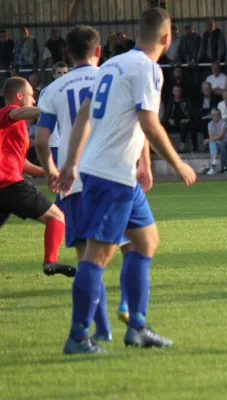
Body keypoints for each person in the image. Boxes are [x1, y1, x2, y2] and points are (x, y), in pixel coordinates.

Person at [57, 8, 196, 354]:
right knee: (98, 254)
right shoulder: (148, 69)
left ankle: (137, 327)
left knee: (146, 241)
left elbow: (83, 118)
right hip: (112, 174)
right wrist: (178, 163)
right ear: (167, 38)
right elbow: (149, 122)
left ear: (138, 32)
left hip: (113, 172)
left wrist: (73, 163)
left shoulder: (113, 65)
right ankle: (78, 336)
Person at [35, 26, 135, 343]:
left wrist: (50, 168)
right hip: (110, 172)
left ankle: (101, 329)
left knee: (85, 258)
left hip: (72, 179)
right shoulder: (112, 77)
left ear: (67, 53)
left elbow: (40, 139)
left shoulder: (52, 90)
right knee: (133, 245)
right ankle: (130, 310)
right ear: (98, 52)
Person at [0, 76, 75, 278]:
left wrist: (50, 171)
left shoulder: (12, 127)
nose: (33, 101)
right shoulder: (8, 112)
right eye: (31, 96)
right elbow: (21, 111)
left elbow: (20, 163)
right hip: (9, 184)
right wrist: (52, 111)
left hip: (5, 185)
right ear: (18, 96)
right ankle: (50, 262)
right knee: (56, 217)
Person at [205, 108, 227, 175]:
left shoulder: (223, 122)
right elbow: (211, 136)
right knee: (212, 143)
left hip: (226, 141)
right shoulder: (210, 124)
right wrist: (212, 140)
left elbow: (221, 135)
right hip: (217, 142)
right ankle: (213, 167)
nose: (216, 116)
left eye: (217, 115)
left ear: (220, 115)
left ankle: (212, 168)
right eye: (214, 115)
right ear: (212, 116)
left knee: (212, 143)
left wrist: (210, 140)